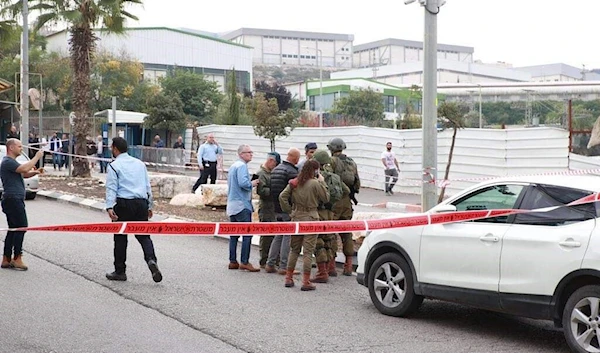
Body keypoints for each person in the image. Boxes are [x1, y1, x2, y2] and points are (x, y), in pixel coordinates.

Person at [105, 137, 162, 283]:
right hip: (141, 203)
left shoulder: (113, 166)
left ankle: (120, 271)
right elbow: (147, 186)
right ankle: (151, 260)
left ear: (115, 148)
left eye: (112, 148)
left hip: (124, 204)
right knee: (143, 235)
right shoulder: (140, 164)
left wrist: (110, 206)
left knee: (120, 237)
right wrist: (149, 205)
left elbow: (112, 187)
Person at [279, 160, 329, 291]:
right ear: (315, 170)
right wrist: (322, 182)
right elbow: (326, 198)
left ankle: (288, 278)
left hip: (296, 218)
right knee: (308, 252)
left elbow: (282, 197)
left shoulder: (295, 182)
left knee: (294, 250)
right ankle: (305, 281)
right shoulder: (315, 183)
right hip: (311, 218)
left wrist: (290, 211)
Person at [1, 139, 44, 270]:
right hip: (13, 198)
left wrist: (35, 172)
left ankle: (6, 258)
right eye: (19, 146)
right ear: (11, 147)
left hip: (13, 198)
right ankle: (17, 258)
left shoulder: (11, 162)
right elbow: (24, 168)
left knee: (13, 229)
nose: (21, 148)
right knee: (22, 227)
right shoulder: (7, 161)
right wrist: (36, 157)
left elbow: (23, 173)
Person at [311, 149, 349, 282]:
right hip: (330, 212)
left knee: (319, 242)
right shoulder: (334, 177)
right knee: (330, 239)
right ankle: (331, 268)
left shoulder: (314, 177)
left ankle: (322, 272)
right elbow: (346, 190)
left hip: (318, 212)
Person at [328, 137, 361, 276]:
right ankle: (348, 265)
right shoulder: (351, 162)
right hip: (347, 201)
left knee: (331, 233)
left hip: (334, 201)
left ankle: (332, 266)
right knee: (346, 232)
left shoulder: (331, 162)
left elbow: (327, 179)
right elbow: (357, 182)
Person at [265, 147, 301, 275]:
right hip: (287, 208)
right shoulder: (292, 172)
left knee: (278, 235)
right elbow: (295, 192)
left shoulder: (276, 170)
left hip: (276, 207)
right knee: (287, 237)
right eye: (298, 158)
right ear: (294, 158)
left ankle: (270, 263)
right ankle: (284, 266)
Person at [226, 144, 260, 272]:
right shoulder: (242, 166)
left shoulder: (233, 166)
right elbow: (243, 183)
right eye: (248, 152)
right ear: (241, 154)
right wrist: (253, 183)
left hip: (232, 204)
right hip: (242, 204)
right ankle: (245, 261)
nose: (251, 154)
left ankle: (233, 260)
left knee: (234, 234)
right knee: (247, 233)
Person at [256, 151, 281, 268]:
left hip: (274, 207)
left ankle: (275, 258)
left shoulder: (272, 173)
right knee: (266, 234)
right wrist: (274, 190)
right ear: (271, 161)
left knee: (275, 234)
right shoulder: (261, 174)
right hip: (266, 207)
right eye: (275, 163)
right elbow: (261, 191)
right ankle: (264, 259)